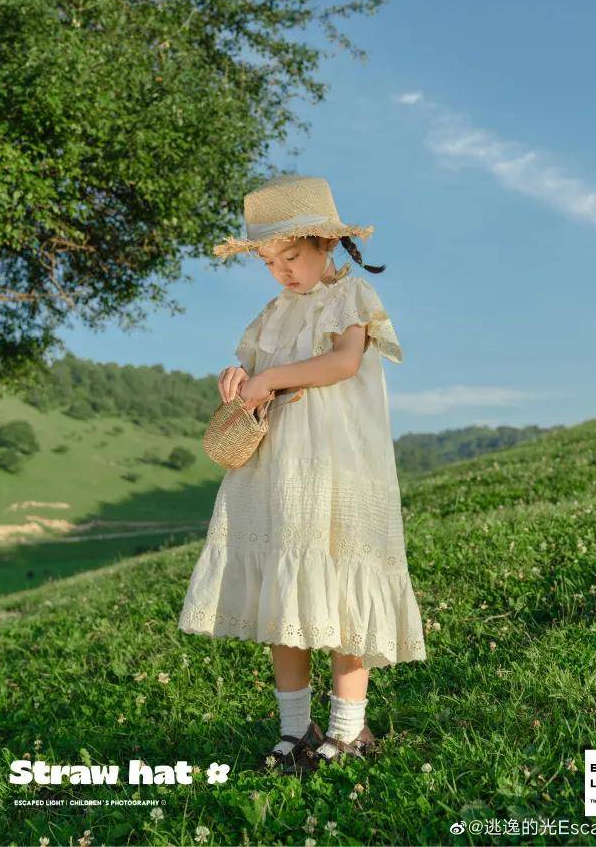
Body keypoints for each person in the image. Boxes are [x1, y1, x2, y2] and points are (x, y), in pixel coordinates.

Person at [177, 174, 426, 775]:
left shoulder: (353, 300)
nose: (281, 271)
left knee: (341, 585)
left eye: (291, 256)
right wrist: (239, 378)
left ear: (327, 245)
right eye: (268, 261)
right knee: (287, 590)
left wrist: (269, 379)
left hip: (339, 464)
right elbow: (252, 363)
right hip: (279, 470)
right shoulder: (272, 313)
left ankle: (349, 728)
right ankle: (296, 731)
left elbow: (343, 362)